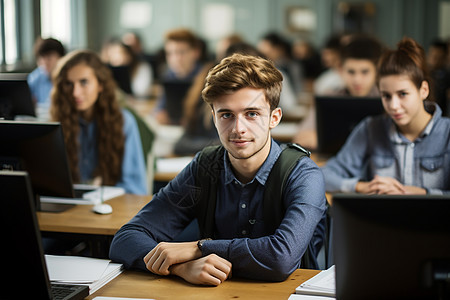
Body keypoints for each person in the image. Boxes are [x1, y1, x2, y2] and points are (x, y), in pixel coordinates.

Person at [109, 53, 327, 285]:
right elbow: (126, 238)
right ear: (213, 118)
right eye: (226, 115)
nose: (238, 128)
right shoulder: (204, 168)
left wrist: (199, 248)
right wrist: (180, 267)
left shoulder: (304, 175)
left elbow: (281, 257)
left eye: (252, 114)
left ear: (274, 118)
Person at [321, 37, 450, 195]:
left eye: (403, 94)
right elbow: (324, 175)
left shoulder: (447, 133)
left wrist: (423, 193)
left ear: (423, 90)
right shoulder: (371, 128)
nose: (393, 106)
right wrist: (362, 186)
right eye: (386, 96)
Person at [50, 50, 148, 195]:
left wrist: (100, 193)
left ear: (100, 84)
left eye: (84, 82)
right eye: (69, 84)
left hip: (113, 208)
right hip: (71, 208)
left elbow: (135, 189)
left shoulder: (124, 122)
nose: (75, 92)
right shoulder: (57, 123)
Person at [293, 34, 384, 150]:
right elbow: (300, 137)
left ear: (376, 72)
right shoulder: (329, 97)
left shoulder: (387, 99)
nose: (357, 80)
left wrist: (333, 140)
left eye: (365, 72)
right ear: (341, 70)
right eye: (351, 72)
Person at [154, 28, 203, 124]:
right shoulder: (169, 76)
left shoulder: (206, 77)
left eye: (181, 52)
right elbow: (159, 107)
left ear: (196, 53)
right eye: (170, 53)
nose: (176, 59)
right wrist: (159, 113)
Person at [27, 37, 66, 119]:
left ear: (61, 58)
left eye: (49, 58)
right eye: (41, 58)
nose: (44, 63)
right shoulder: (35, 77)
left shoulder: (70, 78)